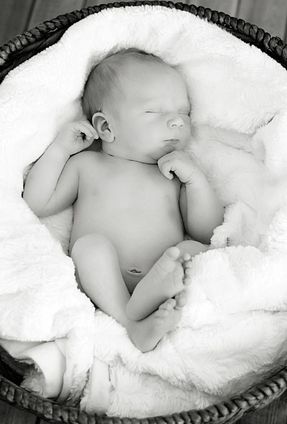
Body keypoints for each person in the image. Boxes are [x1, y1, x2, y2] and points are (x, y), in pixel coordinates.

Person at [23, 49, 224, 352]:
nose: (177, 123)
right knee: (89, 247)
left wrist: (196, 181)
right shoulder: (87, 166)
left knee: (193, 250)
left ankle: (143, 305)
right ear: (105, 127)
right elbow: (36, 203)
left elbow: (206, 231)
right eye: (154, 112)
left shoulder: (173, 172)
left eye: (183, 113)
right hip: (103, 279)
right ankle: (130, 319)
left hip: (163, 273)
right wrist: (60, 149)